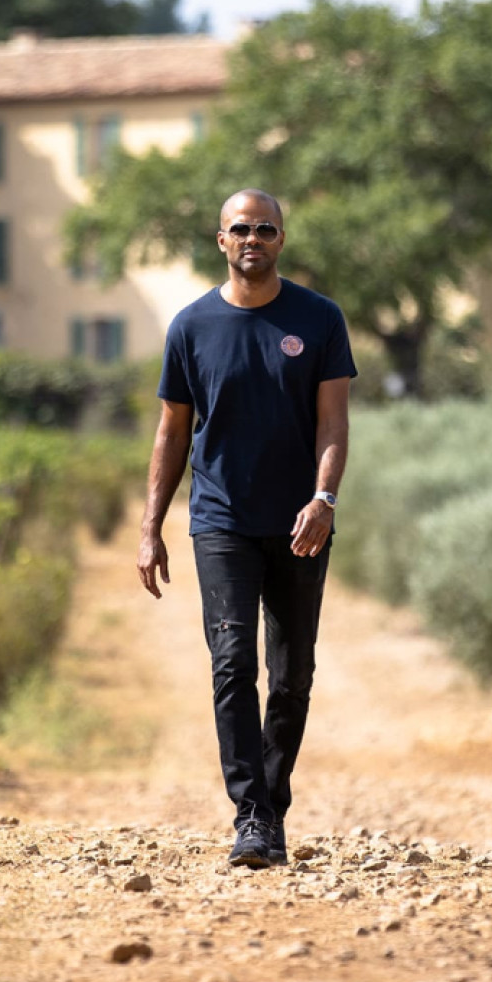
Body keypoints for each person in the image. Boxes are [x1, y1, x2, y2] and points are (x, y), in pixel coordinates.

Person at [137, 188, 356, 869]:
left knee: (290, 675)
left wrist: (324, 497)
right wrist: (151, 525)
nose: (252, 237)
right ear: (221, 240)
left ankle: (270, 803)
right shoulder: (190, 326)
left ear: (281, 240)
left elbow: (333, 422)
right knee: (232, 664)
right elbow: (172, 432)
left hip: (299, 522)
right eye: (241, 228)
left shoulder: (319, 319)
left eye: (265, 227)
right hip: (221, 521)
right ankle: (253, 814)